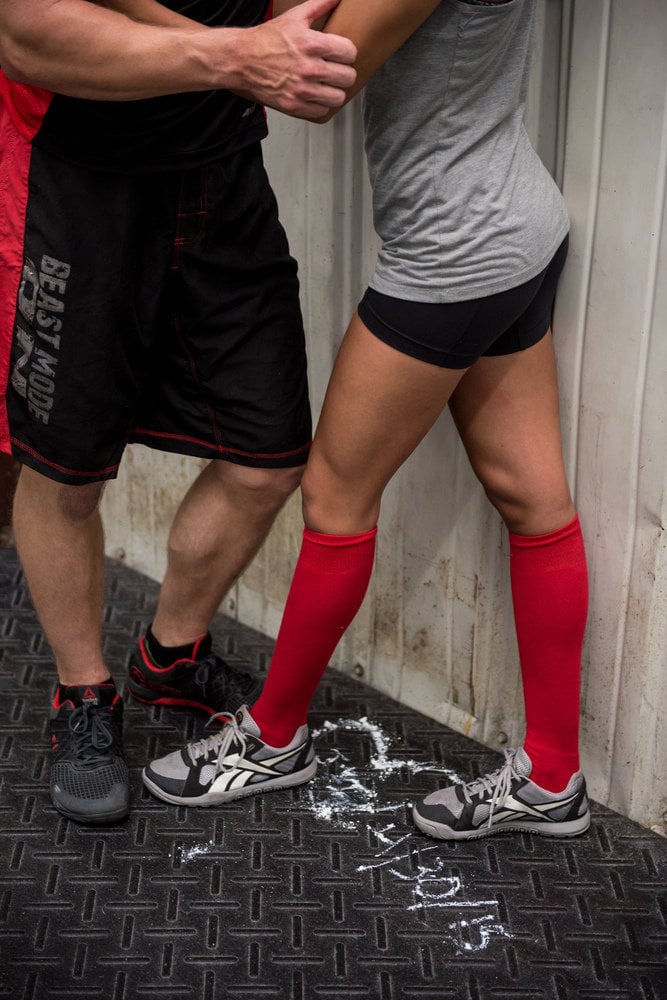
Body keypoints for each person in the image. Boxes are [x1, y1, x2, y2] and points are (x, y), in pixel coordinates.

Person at [143, 0, 590, 843]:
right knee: (532, 501)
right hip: (511, 224)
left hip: (453, 252)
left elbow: (317, 78)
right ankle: (554, 778)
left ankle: (274, 738)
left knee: (335, 497)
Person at [0, 0, 358, 826]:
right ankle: (83, 695)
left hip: (222, 166)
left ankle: (171, 653)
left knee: (265, 457)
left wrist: (260, 46)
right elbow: (24, 35)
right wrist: (232, 57)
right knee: (64, 468)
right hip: (76, 172)